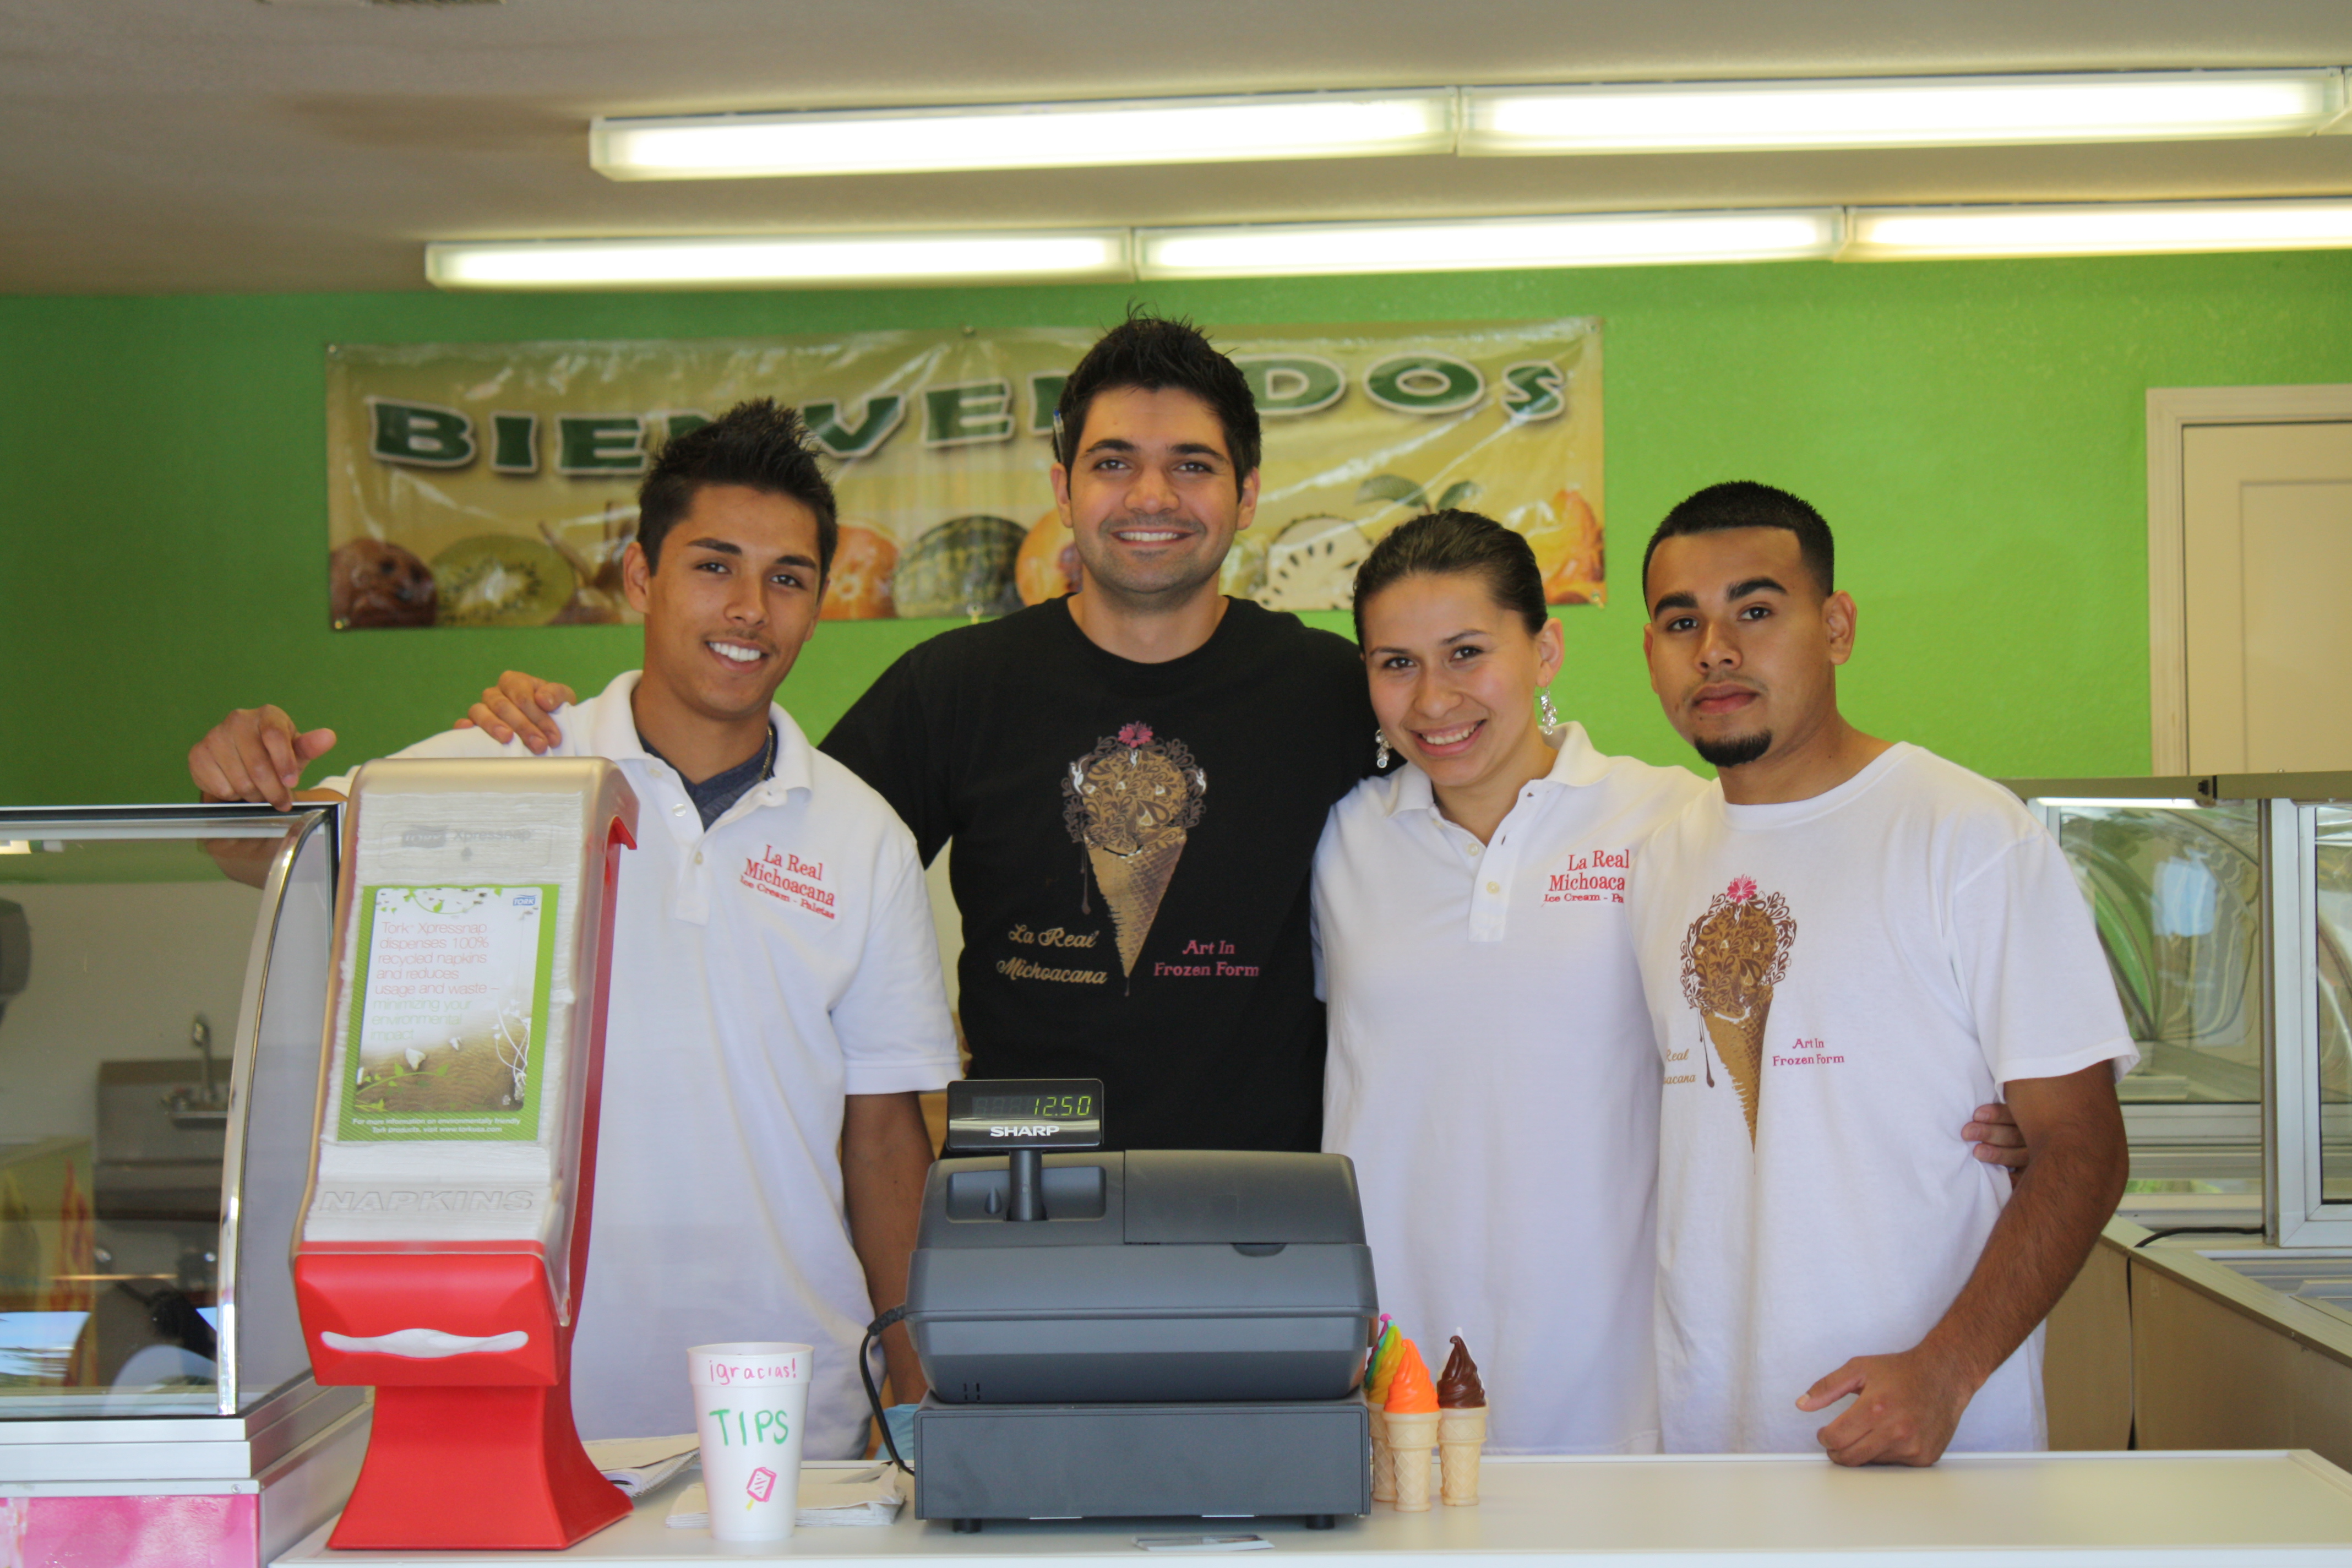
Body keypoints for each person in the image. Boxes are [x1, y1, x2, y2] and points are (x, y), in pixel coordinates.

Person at [185, 400, 959, 1453]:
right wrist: (239, 774)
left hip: (782, 1404)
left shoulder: (864, 835)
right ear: (640, 577)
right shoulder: (507, 766)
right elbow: (257, 849)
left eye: (788, 579)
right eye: (714, 567)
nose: (749, 609)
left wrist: (913, 1394)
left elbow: (884, 1140)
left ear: (818, 604)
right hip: (519, 1397)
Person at [466, 313, 1374, 1154]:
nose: (1151, 495)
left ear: (1248, 494)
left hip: (1274, 1206)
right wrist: (562, 743)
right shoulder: (958, 689)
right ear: (1063, 489)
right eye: (1112, 463)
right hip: (1021, 1198)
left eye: (1192, 465)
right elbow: (764, 853)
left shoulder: (1332, 691)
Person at [1316, 510, 2029, 1456]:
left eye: (1467, 653)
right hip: (1389, 1375)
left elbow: (1814, 999)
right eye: (1396, 663)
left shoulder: (1674, 821)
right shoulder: (1340, 841)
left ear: (1546, 650)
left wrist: (1979, 1107)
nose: (1434, 696)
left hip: (1619, 1390)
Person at [1627, 480, 2132, 1465]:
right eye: (1682, 622)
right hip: (1710, 1438)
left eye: (1755, 611)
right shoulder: (1662, 860)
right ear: (1651, 652)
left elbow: (2084, 1147)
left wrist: (1948, 1369)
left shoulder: (1967, 835)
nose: (1715, 650)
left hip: (1930, 1447)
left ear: (1837, 627)